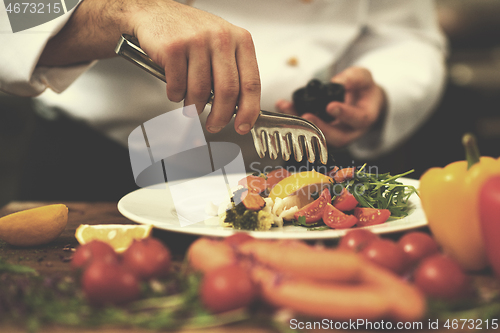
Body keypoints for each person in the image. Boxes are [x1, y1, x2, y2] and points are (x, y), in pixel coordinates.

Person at [0, 0, 447, 201]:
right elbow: (12, 11)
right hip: (96, 162)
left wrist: (385, 86)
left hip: (286, 176)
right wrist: (119, 10)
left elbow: (404, 31)